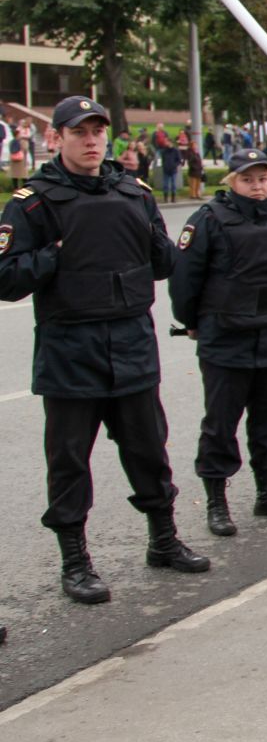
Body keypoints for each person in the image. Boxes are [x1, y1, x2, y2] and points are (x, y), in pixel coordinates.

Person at [0, 95, 210, 603]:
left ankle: (163, 541)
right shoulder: (33, 202)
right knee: (70, 460)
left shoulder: (133, 192)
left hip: (131, 342)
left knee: (148, 450)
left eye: (98, 132)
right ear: (57, 138)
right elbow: (6, 280)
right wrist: (54, 255)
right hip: (72, 347)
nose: (92, 141)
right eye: (80, 132)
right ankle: (76, 562)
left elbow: (162, 263)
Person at [169, 148, 267, 535]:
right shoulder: (209, 219)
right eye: (248, 179)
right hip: (226, 338)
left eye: (263, 178)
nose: (257, 186)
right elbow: (184, 279)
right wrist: (191, 321)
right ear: (231, 181)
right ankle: (217, 501)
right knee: (221, 424)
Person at [156, 127, 181, 203]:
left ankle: (173, 198)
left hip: (173, 169)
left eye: (166, 142)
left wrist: (175, 165)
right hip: (166, 170)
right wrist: (163, 165)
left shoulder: (175, 150)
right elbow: (162, 159)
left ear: (170, 142)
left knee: (173, 185)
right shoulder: (164, 151)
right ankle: (165, 198)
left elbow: (179, 160)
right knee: (165, 185)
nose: (165, 143)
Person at [184, 136, 205, 201]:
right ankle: (193, 195)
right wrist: (196, 167)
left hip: (198, 170)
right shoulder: (190, 152)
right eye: (194, 145)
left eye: (196, 145)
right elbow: (190, 162)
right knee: (193, 184)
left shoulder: (197, 152)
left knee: (198, 184)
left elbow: (199, 160)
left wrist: (201, 166)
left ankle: (197, 194)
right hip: (193, 171)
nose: (196, 146)